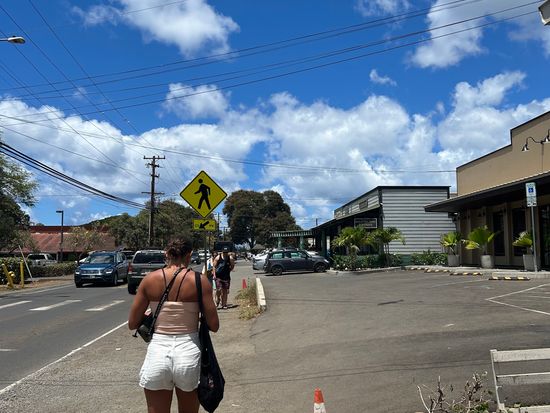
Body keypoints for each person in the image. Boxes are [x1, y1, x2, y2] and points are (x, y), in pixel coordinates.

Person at [128, 238, 219, 413]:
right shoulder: (199, 281)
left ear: (166, 254)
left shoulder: (149, 280)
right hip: (189, 352)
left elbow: (132, 323)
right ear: (189, 255)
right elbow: (214, 325)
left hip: (158, 353)